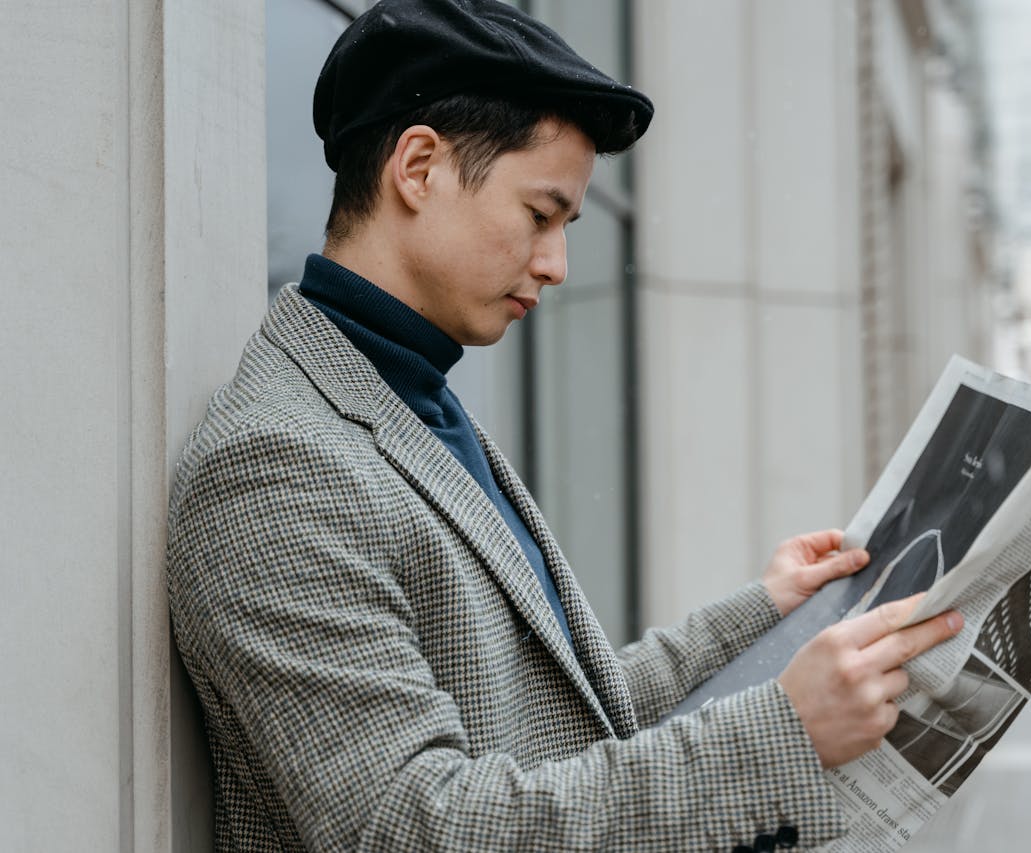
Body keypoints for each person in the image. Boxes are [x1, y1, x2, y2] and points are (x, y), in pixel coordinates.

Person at [165, 1, 963, 850]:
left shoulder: (409, 399)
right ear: (419, 166)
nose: (555, 264)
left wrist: (760, 615)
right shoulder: (277, 462)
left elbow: (553, 722)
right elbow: (411, 825)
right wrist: (782, 733)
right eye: (539, 215)